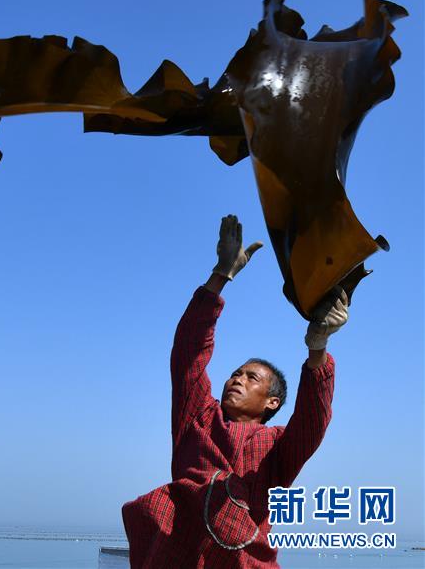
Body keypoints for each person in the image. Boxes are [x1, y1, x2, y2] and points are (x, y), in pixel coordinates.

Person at [122, 215, 349, 568]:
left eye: (251, 377)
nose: (236, 380)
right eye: (235, 374)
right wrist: (220, 275)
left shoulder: (278, 446)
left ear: (272, 402)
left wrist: (318, 345)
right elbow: (188, 354)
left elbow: (313, 420)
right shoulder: (197, 417)